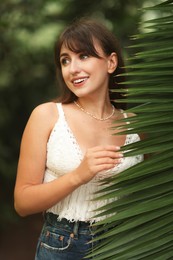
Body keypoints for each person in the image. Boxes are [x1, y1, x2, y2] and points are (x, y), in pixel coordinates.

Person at [14, 18, 143, 259]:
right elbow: (22, 202)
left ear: (111, 62)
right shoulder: (47, 116)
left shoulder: (135, 124)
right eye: (65, 60)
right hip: (63, 245)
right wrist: (78, 175)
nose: (72, 69)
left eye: (83, 56)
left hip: (124, 244)